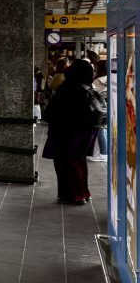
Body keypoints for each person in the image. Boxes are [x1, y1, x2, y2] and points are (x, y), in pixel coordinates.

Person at [42, 60, 105, 204]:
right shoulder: (88, 88)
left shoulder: (68, 88)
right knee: (79, 161)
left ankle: (73, 195)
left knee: (66, 162)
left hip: (67, 133)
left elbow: (51, 113)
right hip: (85, 132)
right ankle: (84, 193)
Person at [88, 60, 109, 162]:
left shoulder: (98, 81)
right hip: (108, 107)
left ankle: (103, 153)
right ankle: (105, 152)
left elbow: (91, 93)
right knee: (104, 129)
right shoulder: (110, 78)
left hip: (99, 108)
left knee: (100, 129)